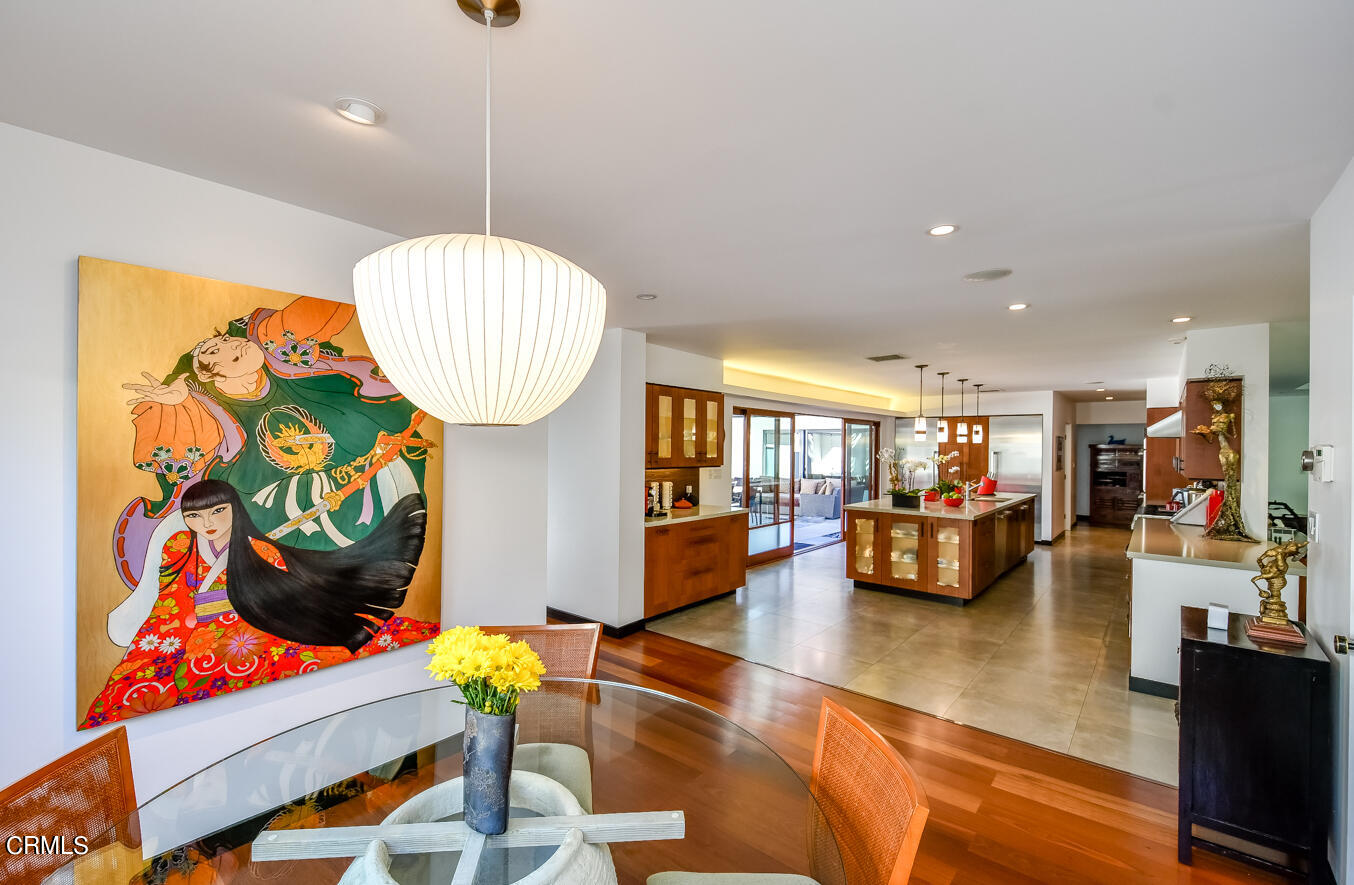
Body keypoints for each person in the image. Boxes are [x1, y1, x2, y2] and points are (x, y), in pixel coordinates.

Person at [82, 481, 437, 728]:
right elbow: (170, 603)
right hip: (186, 629)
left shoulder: (257, 550)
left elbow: (290, 590)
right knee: (139, 683)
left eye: (217, 512)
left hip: (253, 625)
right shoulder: (179, 548)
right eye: (194, 517)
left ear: (234, 509)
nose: (206, 524)